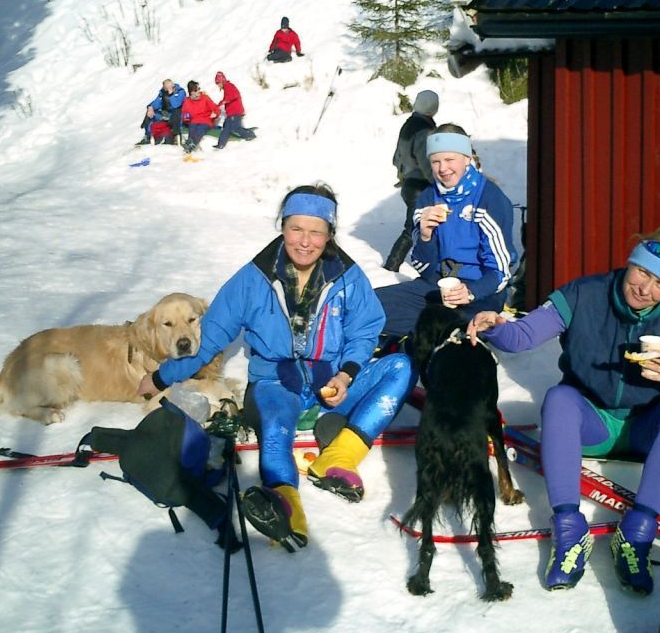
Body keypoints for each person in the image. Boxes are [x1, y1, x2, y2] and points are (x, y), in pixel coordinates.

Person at [137, 184, 413, 553]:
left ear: (330, 234)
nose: (305, 241)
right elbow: (211, 338)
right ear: (282, 227)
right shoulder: (253, 279)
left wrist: (346, 374)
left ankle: (339, 457)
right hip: (276, 385)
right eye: (296, 229)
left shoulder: (348, 277)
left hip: (330, 383)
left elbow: (365, 331)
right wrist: (159, 378)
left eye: (316, 231)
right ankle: (285, 504)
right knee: (276, 427)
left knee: (400, 367)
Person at [466, 227, 660, 595]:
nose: (645, 289)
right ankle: (569, 531)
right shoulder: (584, 295)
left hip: (646, 431)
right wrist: (494, 326)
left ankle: (637, 533)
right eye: (643, 272)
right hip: (592, 425)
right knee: (559, 398)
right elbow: (521, 336)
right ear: (631, 262)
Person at [375, 124, 518, 340]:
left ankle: (440, 335)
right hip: (437, 286)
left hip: (481, 292)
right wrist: (425, 236)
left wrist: (471, 292)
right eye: (435, 161)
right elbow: (423, 268)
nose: (443, 168)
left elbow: (500, 271)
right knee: (368, 305)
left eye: (450, 160)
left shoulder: (489, 198)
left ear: (467, 158)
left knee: (456, 326)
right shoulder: (427, 198)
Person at [383, 90, 438, 271]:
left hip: (408, 183)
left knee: (423, 226)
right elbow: (426, 162)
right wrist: (438, 183)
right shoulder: (425, 130)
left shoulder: (408, 125)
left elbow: (396, 157)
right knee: (413, 228)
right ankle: (391, 266)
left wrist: (403, 171)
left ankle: (432, 262)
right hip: (420, 186)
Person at [213, 71, 257, 149]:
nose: (218, 85)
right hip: (230, 113)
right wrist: (220, 103)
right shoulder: (226, 88)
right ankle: (221, 144)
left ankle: (249, 135)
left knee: (236, 127)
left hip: (235, 112)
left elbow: (235, 95)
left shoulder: (229, 86)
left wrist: (225, 101)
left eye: (218, 83)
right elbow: (227, 98)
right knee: (226, 128)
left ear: (222, 81)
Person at [137, 79, 185, 145]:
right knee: (150, 112)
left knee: (176, 113)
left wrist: (171, 94)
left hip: (177, 114)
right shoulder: (162, 93)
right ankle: (147, 136)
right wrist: (150, 107)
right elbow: (156, 103)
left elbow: (176, 105)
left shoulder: (180, 92)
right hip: (166, 113)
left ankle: (175, 135)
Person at [180, 80, 220, 153]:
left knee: (200, 130)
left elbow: (216, 108)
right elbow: (184, 113)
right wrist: (186, 117)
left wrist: (215, 113)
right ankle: (189, 144)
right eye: (196, 90)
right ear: (192, 92)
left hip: (205, 120)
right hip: (193, 121)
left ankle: (191, 145)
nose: (199, 91)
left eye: (199, 89)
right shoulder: (187, 101)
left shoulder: (205, 98)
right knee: (192, 129)